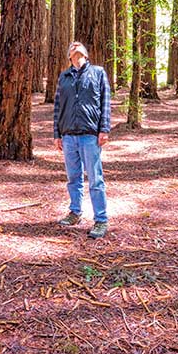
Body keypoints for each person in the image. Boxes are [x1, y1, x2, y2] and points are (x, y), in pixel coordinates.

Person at [53, 41, 111, 239]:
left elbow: (105, 102)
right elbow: (58, 108)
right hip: (69, 136)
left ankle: (101, 220)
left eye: (79, 46)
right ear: (69, 56)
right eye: (72, 46)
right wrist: (57, 134)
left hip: (90, 136)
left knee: (95, 179)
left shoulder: (98, 73)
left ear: (86, 53)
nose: (75, 46)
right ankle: (75, 212)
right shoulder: (64, 77)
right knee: (73, 178)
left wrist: (104, 129)